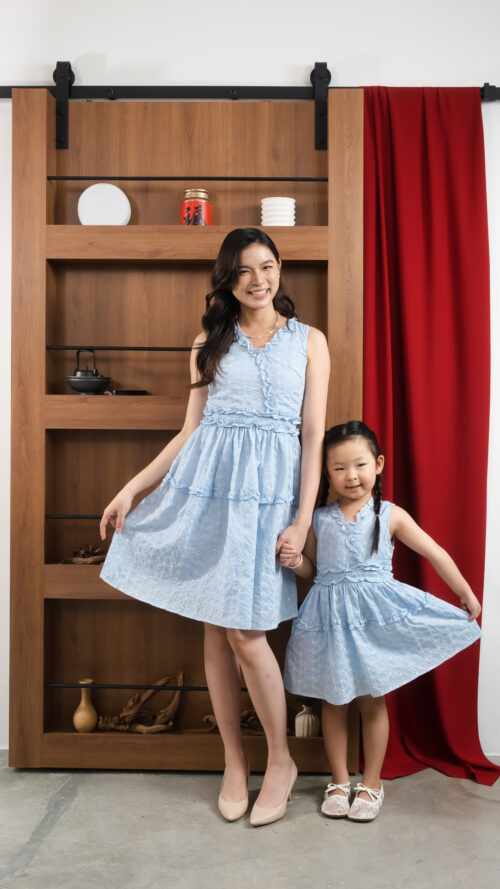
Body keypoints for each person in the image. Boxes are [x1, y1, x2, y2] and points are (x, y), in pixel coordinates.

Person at [99, 227, 330, 826]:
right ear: (227, 279)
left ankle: (280, 760)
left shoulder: (310, 341)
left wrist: (302, 521)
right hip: (211, 495)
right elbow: (191, 430)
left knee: (245, 634)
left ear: (280, 269)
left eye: (267, 266)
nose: (259, 280)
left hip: (269, 502)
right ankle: (233, 760)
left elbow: (312, 438)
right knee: (216, 631)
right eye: (244, 270)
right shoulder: (210, 341)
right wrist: (131, 488)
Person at [281, 420, 481, 822]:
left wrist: (465, 591)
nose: (351, 475)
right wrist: (297, 560)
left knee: (372, 702)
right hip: (329, 620)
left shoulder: (390, 515)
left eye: (359, 465)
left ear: (378, 464)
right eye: (339, 468)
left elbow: (435, 552)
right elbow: (313, 571)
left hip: (373, 621)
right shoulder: (318, 519)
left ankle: (371, 783)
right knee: (333, 701)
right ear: (326, 472)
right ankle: (339, 781)